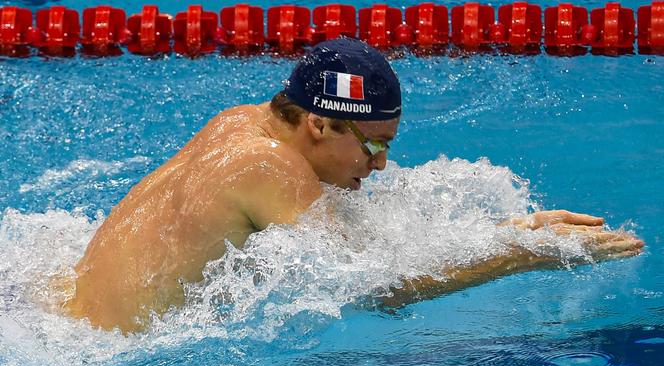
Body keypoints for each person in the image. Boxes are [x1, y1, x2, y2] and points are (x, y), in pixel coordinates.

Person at [61, 38, 644, 333]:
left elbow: (367, 246)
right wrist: (523, 256)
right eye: (374, 145)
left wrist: (516, 225)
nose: (383, 164)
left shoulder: (244, 121)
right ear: (319, 122)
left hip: (71, 315)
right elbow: (375, 290)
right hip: (111, 358)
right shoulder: (266, 168)